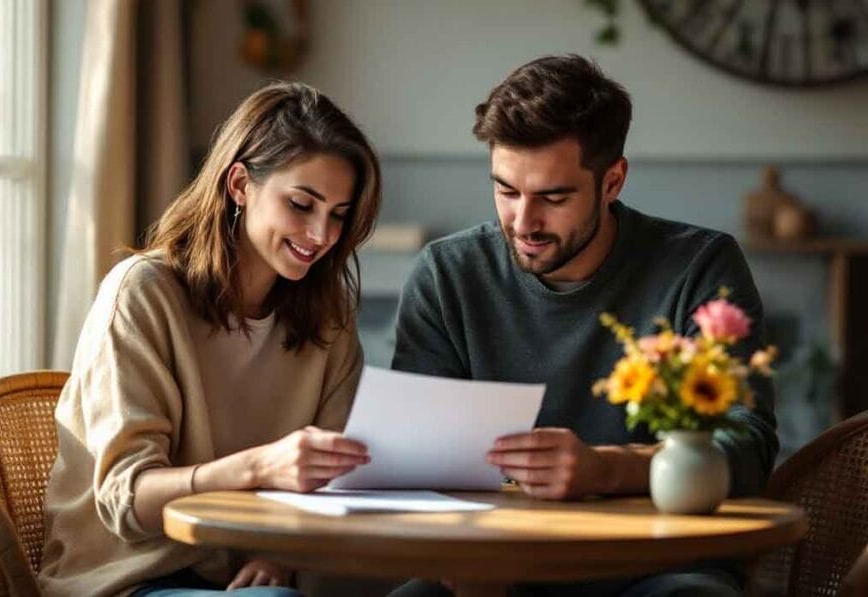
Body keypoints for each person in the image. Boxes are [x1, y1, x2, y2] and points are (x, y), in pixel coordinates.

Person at [389, 55, 777, 596]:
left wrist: (605, 469)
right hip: (488, 568)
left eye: (553, 197)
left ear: (612, 181)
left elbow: (747, 446)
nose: (523, 223)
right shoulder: (446, 274)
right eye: (506, 190)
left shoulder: (698, 267)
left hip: (658, 569)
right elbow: (413, 464)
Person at [38, 81, 381, 597]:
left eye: (338, 214)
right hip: (128, 579)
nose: (321, 236)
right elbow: (126, 501)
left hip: (251, 581)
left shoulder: (328, 319)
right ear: (240, 184)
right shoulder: (142, 294)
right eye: (301, 204)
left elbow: (334, 482)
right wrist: (260, 467)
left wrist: (277, 555)